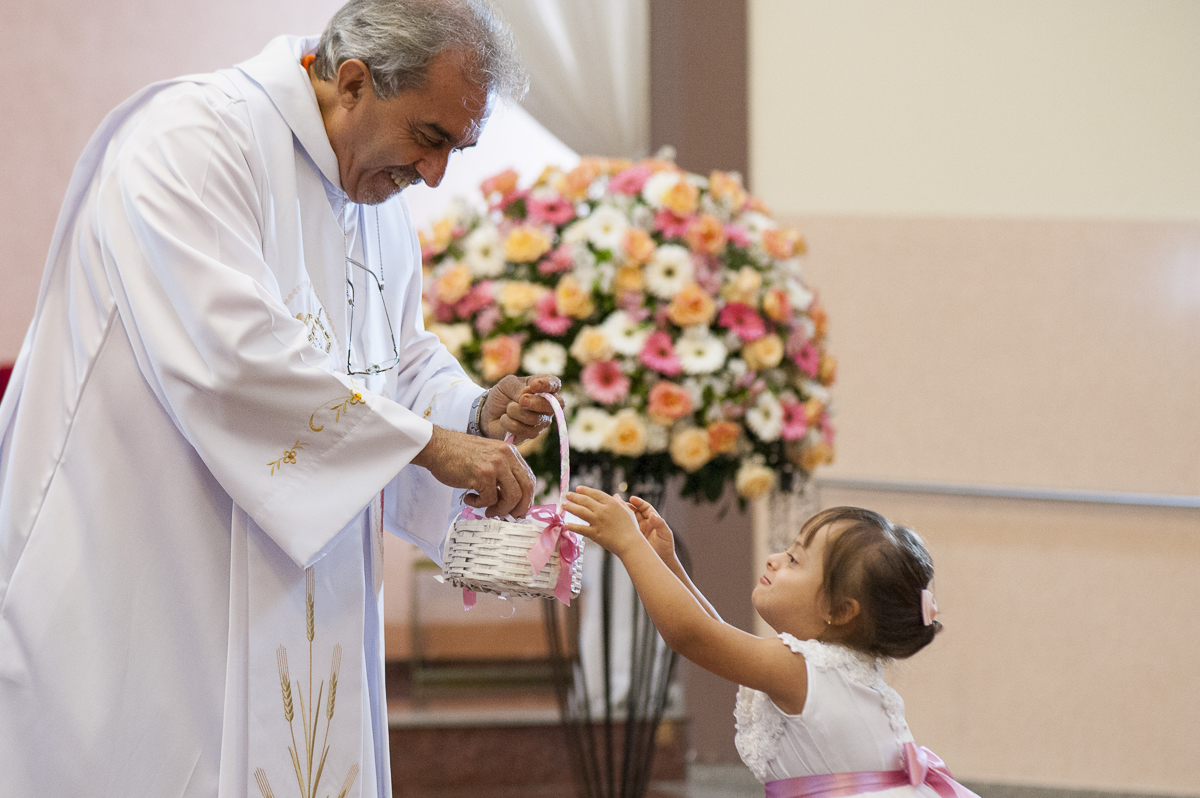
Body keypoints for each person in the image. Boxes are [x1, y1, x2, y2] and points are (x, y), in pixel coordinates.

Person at [0, 1, 561, 796]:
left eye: (456, 149)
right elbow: (232, 359)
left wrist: (470, 412)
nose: (434, 174)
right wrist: (424, 445)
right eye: (431, 138)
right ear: (356, 83)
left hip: (293, 583)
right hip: (150, 573)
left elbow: (388, 361)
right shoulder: (193, 142)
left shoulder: (373, 201)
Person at [563, 490, 980, 798]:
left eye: (795, 560)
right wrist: (666, 561)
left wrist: (630, 545)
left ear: (840, 609)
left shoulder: (804, 668)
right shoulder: (828, 664)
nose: (774, 559)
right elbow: (717, 634)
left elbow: (695, 636)